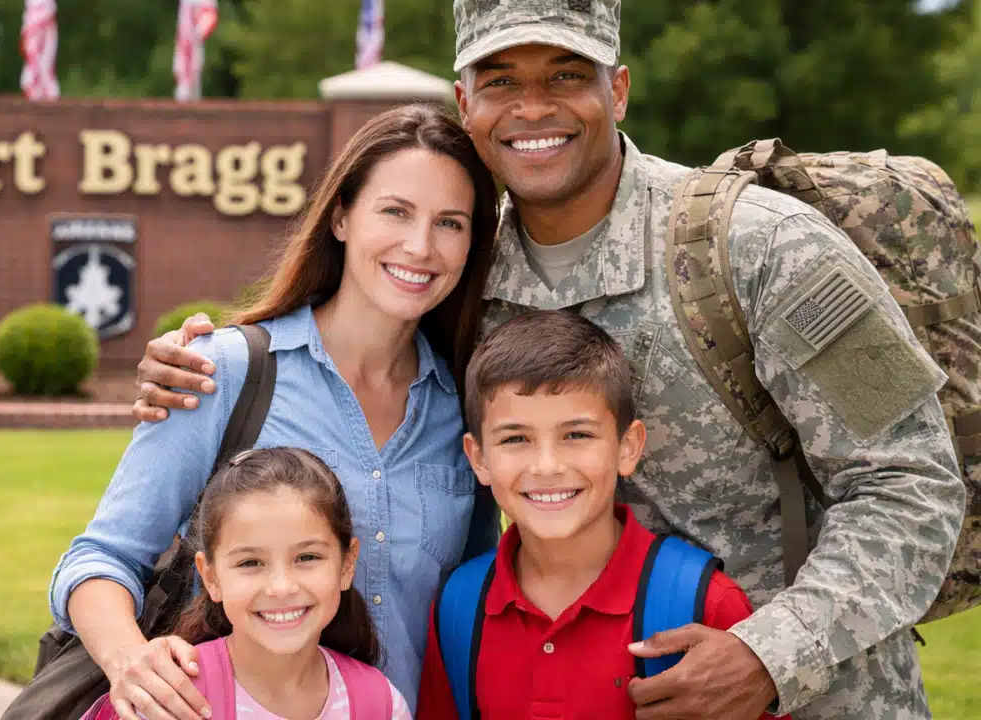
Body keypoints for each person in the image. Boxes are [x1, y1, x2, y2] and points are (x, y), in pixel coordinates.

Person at [129, 2, 967, 718]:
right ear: (465, 103)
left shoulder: (765, 249)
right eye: (501, 81)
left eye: (567, 74)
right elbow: (352, 353)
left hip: (814, 698)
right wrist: (212, 354)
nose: (534, 107)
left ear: (619, 89)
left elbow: (912, 485)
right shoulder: (460, 278)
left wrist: (767, 657)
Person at [48, 103, 500, 720]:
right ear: (341, 216)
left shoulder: (466, 409)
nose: (420, 246)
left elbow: (479, 601)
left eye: (450, 223)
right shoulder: (224, 372)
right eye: (395, 211)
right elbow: (99, 558)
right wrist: (132, 661)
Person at [414, 309, 784, 719]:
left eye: (577, 435)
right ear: (478, 458)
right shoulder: (460, 605)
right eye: (516, 438)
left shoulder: (704, 604)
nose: (547, 466)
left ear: (628, 447)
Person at [80, 447, 413, 720]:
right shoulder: (168, 699)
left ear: (346, 564)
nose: (281, 587)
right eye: (251, 563)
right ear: (210, 577)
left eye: (307, 558)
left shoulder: (380, 704)